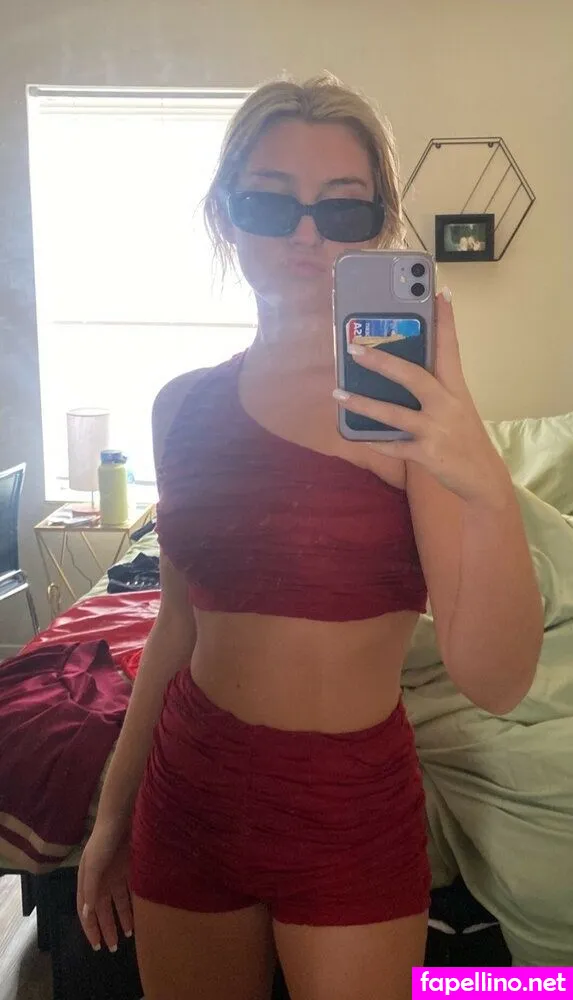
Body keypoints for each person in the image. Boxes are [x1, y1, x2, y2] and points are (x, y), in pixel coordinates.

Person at [76, 74, 543, 1000]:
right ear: (225, 213)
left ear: (378, 224)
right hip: (190, 790)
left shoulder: (409, 416)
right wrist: (110, 819)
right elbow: (178, 625)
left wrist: (481, 476)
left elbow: (496, 680)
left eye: (340, 208)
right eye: (268, 202)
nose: (304, 234)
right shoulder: (181, 406)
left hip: (349, 807)